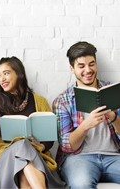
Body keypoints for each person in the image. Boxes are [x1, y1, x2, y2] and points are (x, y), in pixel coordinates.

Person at [0, 56, 63, 189]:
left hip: (34, 157)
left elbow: (49, 141)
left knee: (24, 167)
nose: (2, 79)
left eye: (6, 73)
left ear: (20, 74)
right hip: (5, 161)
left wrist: (39, 146)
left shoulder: (39, 101)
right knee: (21, 144)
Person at [53, 41, 120, 188]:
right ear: (72, 69)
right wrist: (85, 126)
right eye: (81, 66)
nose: (88, 70)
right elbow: (67, 146)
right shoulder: (62, 101)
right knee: (81, 184)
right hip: (79, 159)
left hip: (114, 157)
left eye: (91, 64)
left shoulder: (114, 91)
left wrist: (112, 116)